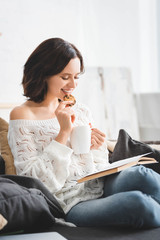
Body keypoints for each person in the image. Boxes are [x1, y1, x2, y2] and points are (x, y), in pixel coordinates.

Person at [8, 38, 160, 229]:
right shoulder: (23, 115)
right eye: (65, 77)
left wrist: (96, 148)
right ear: (43, 74)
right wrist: (63, 133)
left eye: (77, 76)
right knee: (138, 203)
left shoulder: (79, 110)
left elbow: (95, 162)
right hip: (70, 203)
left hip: (99, 183)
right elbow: (34, 181)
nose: (73, 84)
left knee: (142, 174)